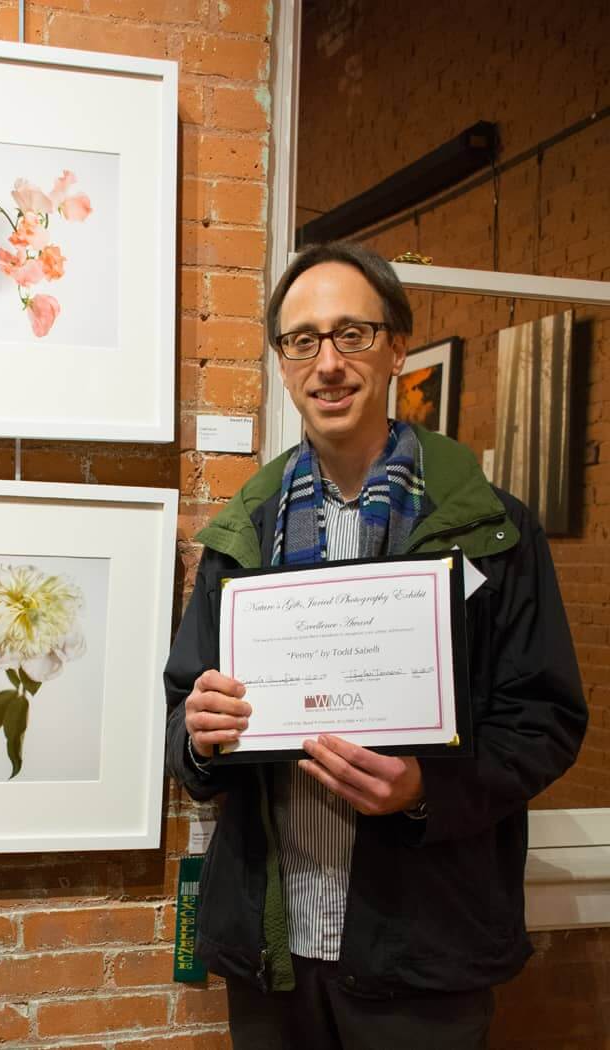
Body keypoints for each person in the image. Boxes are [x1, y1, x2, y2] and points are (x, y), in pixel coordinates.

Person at [164, 242, 586, 1050]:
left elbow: (545, 721)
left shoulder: (495, 529)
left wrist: (427, 789)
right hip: (273, 954)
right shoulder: (241, 536)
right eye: (303, 340)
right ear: (283, 364)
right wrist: (200, 733)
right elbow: (183, 717)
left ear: (397, 348)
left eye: (351, 334)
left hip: (425, 950)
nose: (328, 363)